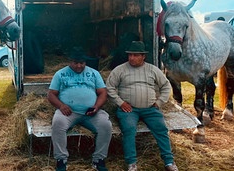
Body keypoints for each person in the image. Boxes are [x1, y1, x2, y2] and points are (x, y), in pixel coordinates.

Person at [106, 41, 178, 171]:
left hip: (150, 108)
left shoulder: (152, 69)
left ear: (143, 56)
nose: (131, 58)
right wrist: (120, 102)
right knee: (128, 129)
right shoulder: (120, 69)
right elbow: (110, 87)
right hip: (129, 109)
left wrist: (160, 102)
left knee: (161, 129)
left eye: (135, 55)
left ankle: (169, 161)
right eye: (130, 55)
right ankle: (131, 163)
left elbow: (166, 86)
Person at [47, 46, 112, 171]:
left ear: (85, 62)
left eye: (81, 63)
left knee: (105, 125)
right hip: (69, 112)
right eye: (75, 63)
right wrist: (61, 105)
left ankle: (99, 159)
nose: (78, 66)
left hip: (91, 112)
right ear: (70, 61)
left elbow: (103, 92)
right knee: (58, 123)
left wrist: (97, 106)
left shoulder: (94, 73)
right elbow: (51, 94)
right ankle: (61, 160)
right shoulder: (60, 74)